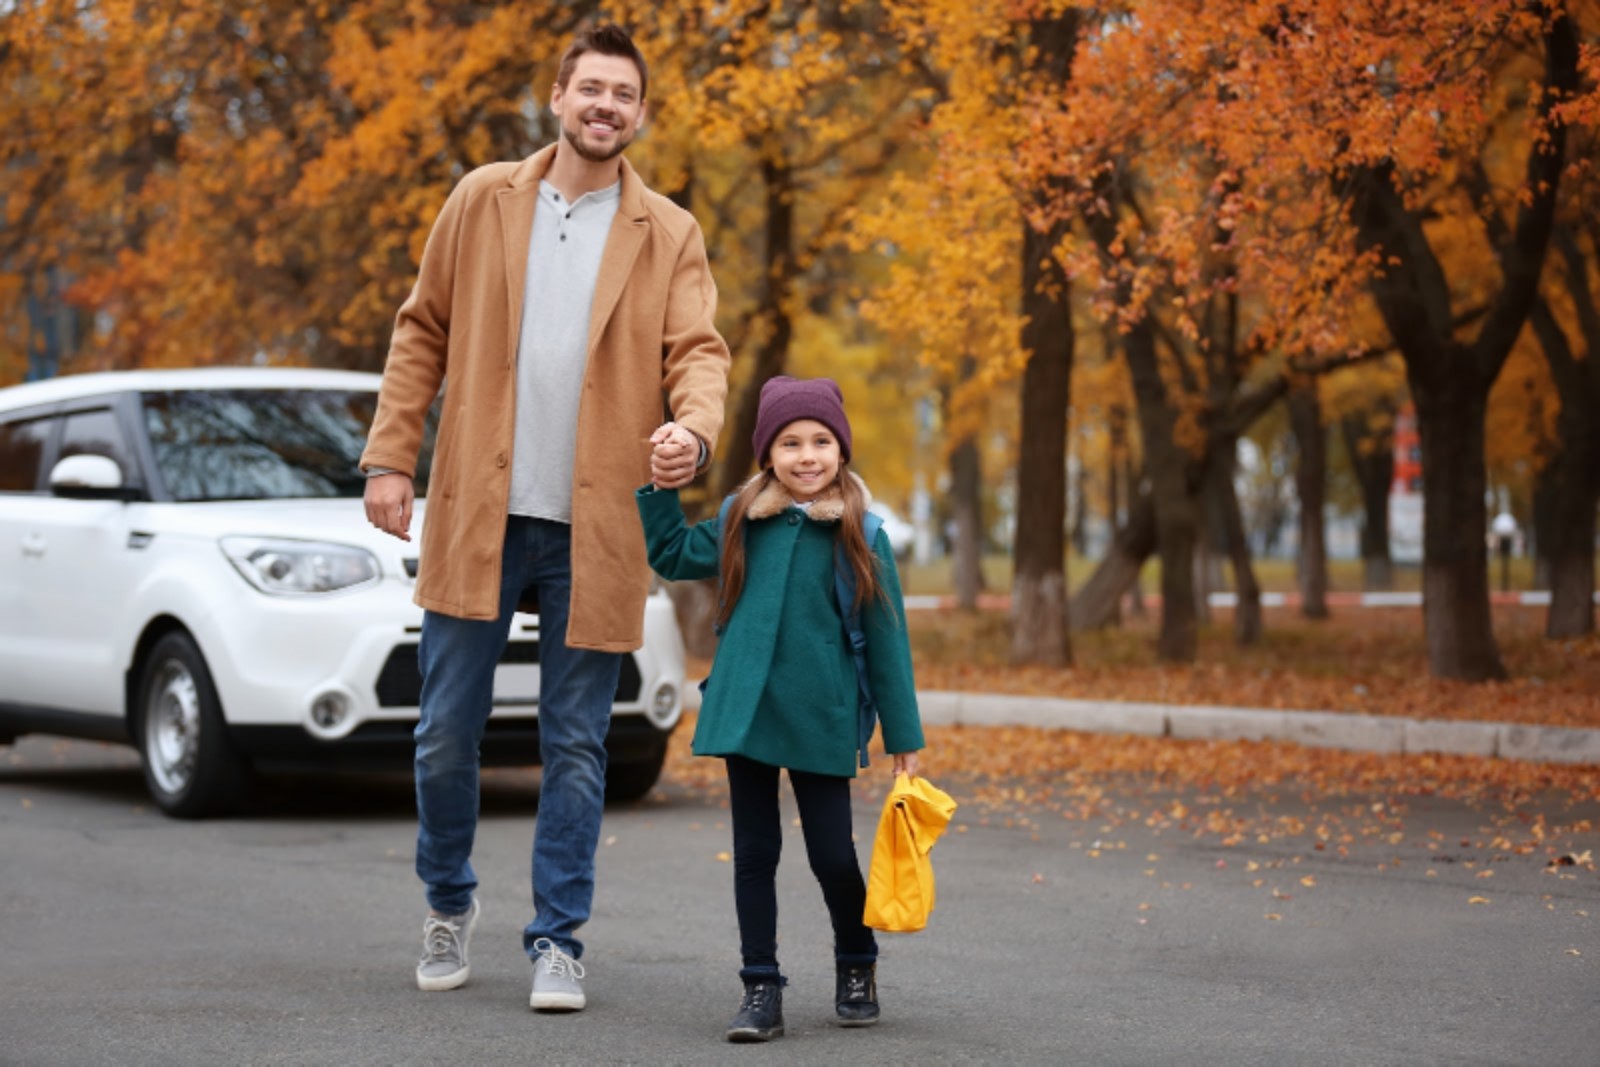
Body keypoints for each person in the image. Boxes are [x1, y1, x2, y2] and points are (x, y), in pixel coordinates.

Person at [359, 23, 731, 1013]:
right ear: (558, 98)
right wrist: (393, 456)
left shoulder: (669, 232)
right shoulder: (484, 199)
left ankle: (557, 938)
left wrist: (692, 434)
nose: (606, 106)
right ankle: (448, 903)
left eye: (624, 95)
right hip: (481, 509)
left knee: (575, 741)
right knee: (445, 729)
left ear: (638, 115)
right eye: (591, 89)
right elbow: (422, 325)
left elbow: (699, 350)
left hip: (596, 523)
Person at [635, 376, 925, 1043]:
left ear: (841, 450)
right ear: (768, 452)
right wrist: (658, 487)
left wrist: (902, 731)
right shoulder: (744, 516)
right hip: (748, 712)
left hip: (821, 713)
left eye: (821, 441)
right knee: (754, 852)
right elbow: (674, 555)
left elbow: (887, 638)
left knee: (832, 856)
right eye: (790, 442)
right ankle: (760, 986)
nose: (806, 455)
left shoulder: (861, 531)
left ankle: (857, 962)